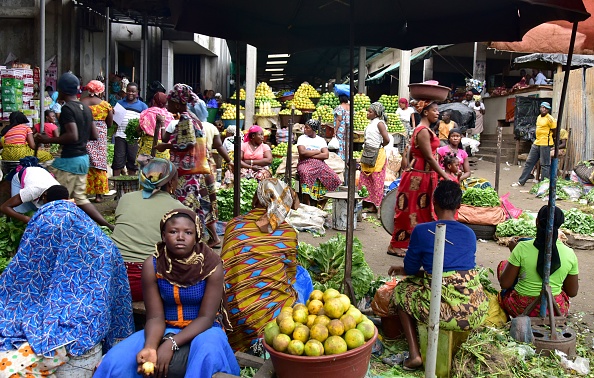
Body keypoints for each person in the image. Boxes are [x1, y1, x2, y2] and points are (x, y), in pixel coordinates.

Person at [95, 208, 239, 378]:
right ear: (163, 235)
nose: (180, 237)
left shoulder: (211, 265)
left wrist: (171, 344)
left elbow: (206, 318)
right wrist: (150, 347)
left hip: (205, 331)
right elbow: (155, 317)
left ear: (196, 237)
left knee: (207, 356)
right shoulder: (153, 265)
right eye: (173, 231)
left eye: (188, 232)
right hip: (166, 327)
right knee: (115, 361)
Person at [0, 195, 134, 376]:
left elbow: (15, 289)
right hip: (80, 346)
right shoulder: (101, 247)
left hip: (70, 347)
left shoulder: (46, 234)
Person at [388, 180, 488, 371]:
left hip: (443, 312)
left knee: (401, 291)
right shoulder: (469, 234)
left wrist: (405, 271)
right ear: (459, 206)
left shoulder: (422, 230)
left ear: (433, 203)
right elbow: (452, 269)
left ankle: (414, 355)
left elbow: (410, 269)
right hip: (475, 310)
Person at [222, 178, 300, 351]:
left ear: (256, 199)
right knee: (301, 282)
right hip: (276, 318)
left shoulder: (234, 226)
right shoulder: (288, 233)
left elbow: (226, 269)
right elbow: (291, 275)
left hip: (235, 315)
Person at [34, 72, 114, 230]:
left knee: (60, 199)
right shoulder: (85, 108)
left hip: (69, 160)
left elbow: (72, 135)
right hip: (83, 160)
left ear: (62, 90)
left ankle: (60, 230)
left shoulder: (67, 109)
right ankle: (107, 225)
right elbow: (94, 135)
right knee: (80, 198)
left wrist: (47, 140)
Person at [111, 157, 185, 301]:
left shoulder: (126, 199)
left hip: (112, 279)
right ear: (170, 182)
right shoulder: (180, 210)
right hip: (146, 283)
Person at [159, 83, 221, 247]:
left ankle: (193, 242)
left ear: (178, 103)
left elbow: (189, 144)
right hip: (198, 169)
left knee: (187, 208)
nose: (168, 106)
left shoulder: (186, 119)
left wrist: (166, 146)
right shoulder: (194, 118)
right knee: (201, 205)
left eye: (170, 103)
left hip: (188, 173)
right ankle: (209, 238)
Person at [387, 99, 450, 257]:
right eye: (434, 110)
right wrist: (445, 175)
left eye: (438, 110)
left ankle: (419, 245)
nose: (438, 113)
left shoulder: (425, 129)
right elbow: (429, 157)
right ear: (425, 112)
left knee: (422, 212)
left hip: (424, 176)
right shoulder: (422, 130)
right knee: (408, 211)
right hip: (418, 177)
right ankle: (395, 245)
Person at [498, 205, 578, 317]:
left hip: (522, 308)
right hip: (554, 310)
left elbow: (505, 283)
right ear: (559, 225)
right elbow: (572, 292)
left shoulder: (521, 247)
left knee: (503, 265)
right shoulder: (570, 253)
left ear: (537, 222)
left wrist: (514, 251)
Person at [297, 119, 342, 206]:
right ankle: (307, 203)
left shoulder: (321, 140)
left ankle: (322, 203)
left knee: (334, 178)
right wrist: (318, 151)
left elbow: (325, 155)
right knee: (305, 173)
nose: (304, 129)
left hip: (320, 164)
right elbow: (302, 153)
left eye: (307, 128)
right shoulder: (302, 138)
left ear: (314, 129)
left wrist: (309, 154)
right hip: (305, 163)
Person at [81, 79, 112, 203]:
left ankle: (82, 193)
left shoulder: (82, 103)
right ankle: (99, 195)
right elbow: (109, 124)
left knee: (86, 164)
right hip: (100, 137)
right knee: (99, 164)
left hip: (84, 134)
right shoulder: (105, 105)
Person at [513, 102, 557, 186]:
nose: (544, 109)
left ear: (548, 110)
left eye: (546, 108)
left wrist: (551, 141)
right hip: (537, 142)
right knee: (529, 161)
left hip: (545, 143)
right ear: (540, 108)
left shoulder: (550, 119)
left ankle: (544, 185)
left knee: (545, 164)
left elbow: (554, 131)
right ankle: (521, 181)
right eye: (543, 107)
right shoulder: (539, 117)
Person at [358, 102, 390, 213]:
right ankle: (369, 204)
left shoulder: (380, 123)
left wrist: (381, 146)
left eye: (370, 111)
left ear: (376, 114)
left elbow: (387, 139)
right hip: (368, 153)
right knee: (366, 180)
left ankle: (378, 206)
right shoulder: (372, 123)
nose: (367, 113)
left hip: (377, 155)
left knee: (376, 180)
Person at [113, 82, 148, 177]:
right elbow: (114, 121)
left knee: (132, 161)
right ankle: (116, 184)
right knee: (118, 160)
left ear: (137, 93)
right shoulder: (120, 104)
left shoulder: (142, 106)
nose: (130, 93)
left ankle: (131, 183)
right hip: (120, 136)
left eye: (133, 91)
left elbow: (145, 122)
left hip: (134, 138)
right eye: (128, 91)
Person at [138, 92, 173, 160]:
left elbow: (139, 128)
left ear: (153, 101)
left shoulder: (148, 113)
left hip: (148, 148)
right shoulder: (169, 116)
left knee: (146, 169)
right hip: (164, 150)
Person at [333, 93, 350, 161]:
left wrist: (335, 130)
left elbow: (339, 119)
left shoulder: (340, 107)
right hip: (348, 128)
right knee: (347, 143)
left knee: (340, 144)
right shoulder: (350, 107)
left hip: (341, 128)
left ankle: (340, 159)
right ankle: (347, 158)